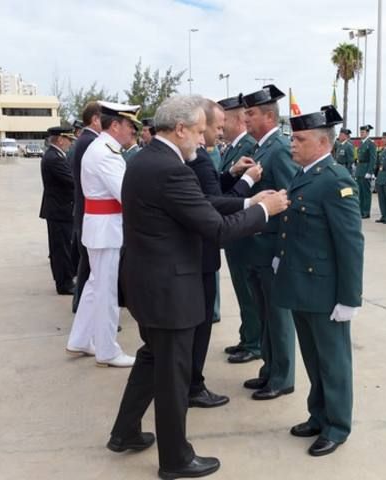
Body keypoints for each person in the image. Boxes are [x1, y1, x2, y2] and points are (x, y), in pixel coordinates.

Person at [108, 95, 289, 479]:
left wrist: (247, 201)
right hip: (169, 289)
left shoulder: (148, 159)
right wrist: (262, 211)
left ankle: (124, 433)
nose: (203, 138)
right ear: (180, 129)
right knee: (172, 375)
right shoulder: (170, 169)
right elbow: (216, 230)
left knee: (151, 358)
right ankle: (175, 460)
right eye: (198, 131)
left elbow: (200, 206)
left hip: (148, 283)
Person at [271, 105, 363, 457]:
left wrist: (349, 298)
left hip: (325, 290)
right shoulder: (303, 173)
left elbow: (350, 242)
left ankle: (337, 426)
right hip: (301, 285)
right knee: (312, 357)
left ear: (323, 142)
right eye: (293, 138)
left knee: (333, 361)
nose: (292, 144)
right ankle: (318, 415)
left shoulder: (336, 179)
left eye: (299, 139)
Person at [185, 99, 264, 408]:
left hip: (194, 252)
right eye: (216, 127)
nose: (219, 133)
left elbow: (211, 188)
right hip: (202, 250)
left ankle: (191, 380)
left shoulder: (197, 156)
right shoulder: (199, 158)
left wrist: (231, 172)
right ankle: (194, 385)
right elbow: (214, 202)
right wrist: (248, 187)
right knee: (201, 324)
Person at [66, 101, 138, 367]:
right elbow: (126, 195)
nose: (133, 130)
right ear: (115, 125)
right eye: (130, 125)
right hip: (107, 229)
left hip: (101, 227)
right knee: (107, 291)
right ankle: (108, 350)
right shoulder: (106, 153)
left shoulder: (101, 148)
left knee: (95, 286)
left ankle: (80, 339)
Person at [238, 84, 298, 400]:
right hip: (256, 246)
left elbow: (290, 201)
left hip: (272, 247)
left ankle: (282, 376)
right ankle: (269, 369)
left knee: (277, 315)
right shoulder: (261, 148)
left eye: (251, 113)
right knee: (264, 314)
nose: (245, 118)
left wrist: (283, 252)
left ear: (269, 116)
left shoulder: (279, 149)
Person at [217, 94, 265, 364]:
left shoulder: (247, 145)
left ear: (236, 118)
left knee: (248, 290)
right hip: (235, 229)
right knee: (241, 288)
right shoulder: (234, 148)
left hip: (246, 231)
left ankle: (254, 342)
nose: (220, 125)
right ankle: (248, 336)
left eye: (223, 119)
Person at [71, 102, 102, 313]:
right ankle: (85, 310)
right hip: (91, 211)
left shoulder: (83, 140)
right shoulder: (91, 142)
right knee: (91, 268)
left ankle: (80, 306)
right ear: (95, 119)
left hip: (84, 210)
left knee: (86, 266)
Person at [39, 126, 77, 294]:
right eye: (69, 140)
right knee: (61, 249)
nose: (70, 143)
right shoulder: (55, 158)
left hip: (58, 209)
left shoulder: (54, 155)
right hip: (60, 210)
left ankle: (64, 280)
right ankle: (64, 283)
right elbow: (72, 182)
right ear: (60, 139)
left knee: (60, 247)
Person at [355, 125, 376, 218]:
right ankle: (360, 210)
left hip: (366, 169)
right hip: (360, 169)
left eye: (363, 132)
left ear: (367, 133)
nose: (361, 134)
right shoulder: (361, 143)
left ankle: (366, 212)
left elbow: (373, 159)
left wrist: (370, 172)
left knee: (366, 192)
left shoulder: (370, 143)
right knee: (360, 192)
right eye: (361, 132)